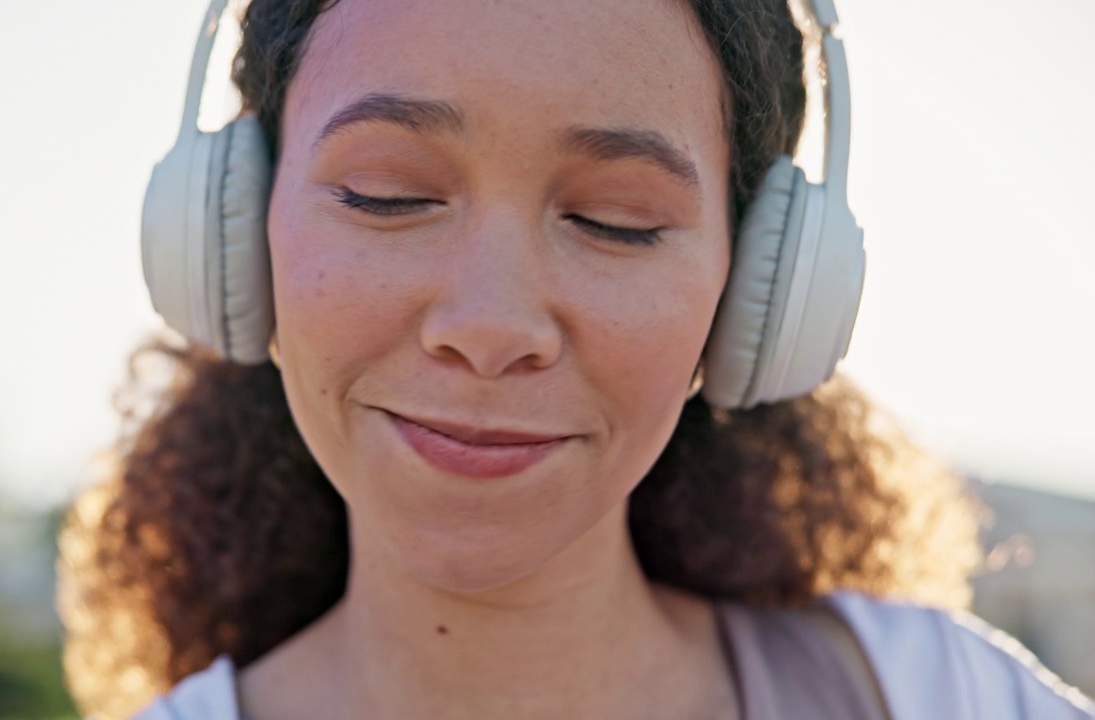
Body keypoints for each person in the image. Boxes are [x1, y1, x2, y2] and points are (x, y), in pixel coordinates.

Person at [56, 0, 1095, 718]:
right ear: (232, 229)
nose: (492, 323)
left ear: (757, 293)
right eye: (384, 194)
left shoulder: (937, 701)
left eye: (615, 220)